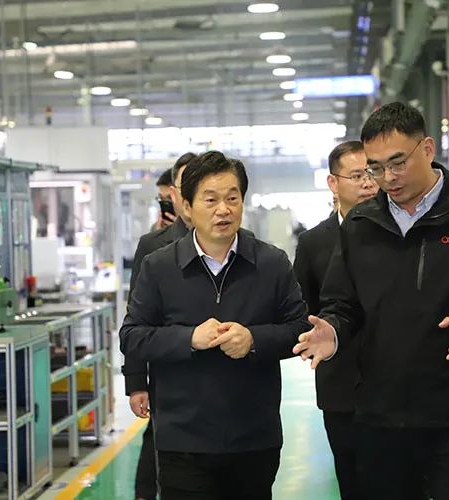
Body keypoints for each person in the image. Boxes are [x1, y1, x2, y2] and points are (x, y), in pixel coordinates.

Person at [292, 102, 449, 499]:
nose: (387, 178)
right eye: (375, 167)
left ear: (428, 149)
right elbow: (342, 304)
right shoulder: (361, 224)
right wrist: (332, 331)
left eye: (398, 163)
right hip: (381, 414)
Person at [119, 150, 309, 500]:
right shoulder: (159, 267)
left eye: (232, 198)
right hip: (183, 440)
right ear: (187, 207)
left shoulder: (271, 263)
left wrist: (253, 339)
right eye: (211, 200)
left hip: (254, 437)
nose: (224, 209)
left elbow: (299, 328)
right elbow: (132, 337)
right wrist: (189, 338)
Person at [292, 140, 377, 500]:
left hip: (398, 386)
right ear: (333, 183)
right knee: (352, 478)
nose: (368, 183)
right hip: (341, 385)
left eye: (372, 173)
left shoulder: (400, 233)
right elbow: (303, 310)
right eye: (357, 175)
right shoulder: (314, 243)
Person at [123, 152, 196, 500]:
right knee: (159, 449)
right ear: (173, 193)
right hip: (168, 371)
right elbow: (137, 318)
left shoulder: (243, 244)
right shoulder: (153, 246)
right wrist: (137, 381)